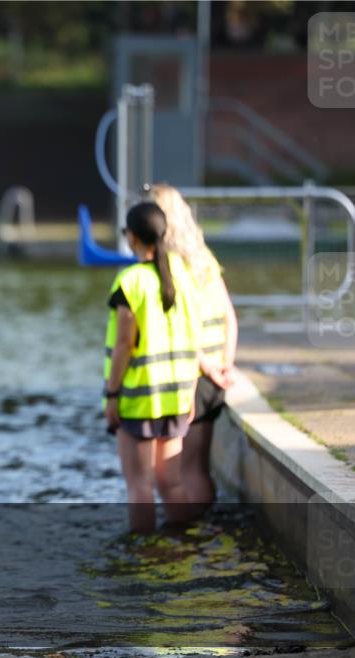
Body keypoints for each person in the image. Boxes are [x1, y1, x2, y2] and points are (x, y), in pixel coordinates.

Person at [103, 202, 201, 534]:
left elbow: (123, 345)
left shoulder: (130, 282)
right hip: (176, 395)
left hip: (139, 398)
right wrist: (191, 392)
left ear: (131, 237)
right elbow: (195, 335)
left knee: (140, 486)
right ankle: (184, 546)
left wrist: (112, 394)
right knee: (171, 482)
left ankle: (142, 558)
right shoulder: (183, 275)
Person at [149, 184, 238, 512]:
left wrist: (205, 366)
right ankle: (206, 534)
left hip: (194, 375)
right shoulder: (204, 258)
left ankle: (189, 536)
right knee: (200, 466)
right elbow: (229, 314)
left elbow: (180, 327)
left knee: (184, 470)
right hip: (215, 374)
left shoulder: (169, 265)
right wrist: (225, 364)